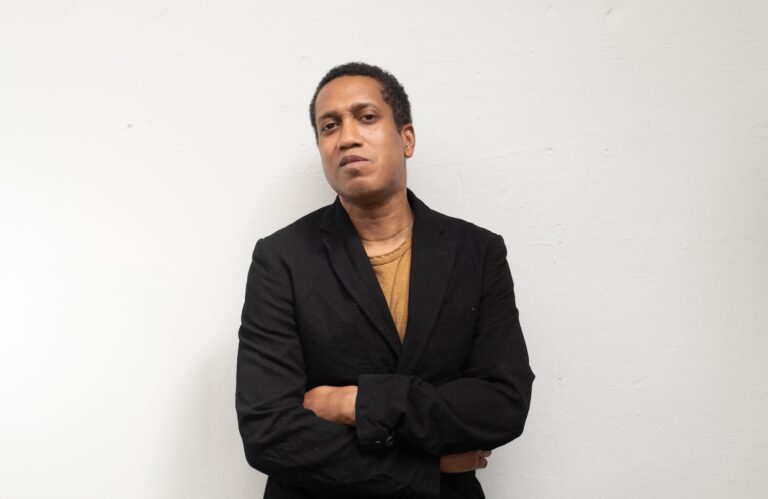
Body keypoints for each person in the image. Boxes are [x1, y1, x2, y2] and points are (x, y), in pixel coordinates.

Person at [235, 62, 535, 499]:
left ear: (406, 138)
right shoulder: (281, 258)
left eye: (367, 117)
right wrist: (427, 470)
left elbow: (503, 404)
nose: (347, 137)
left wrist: (355, 403)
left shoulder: (477, 252)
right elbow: (268, 431)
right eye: (329, 126)